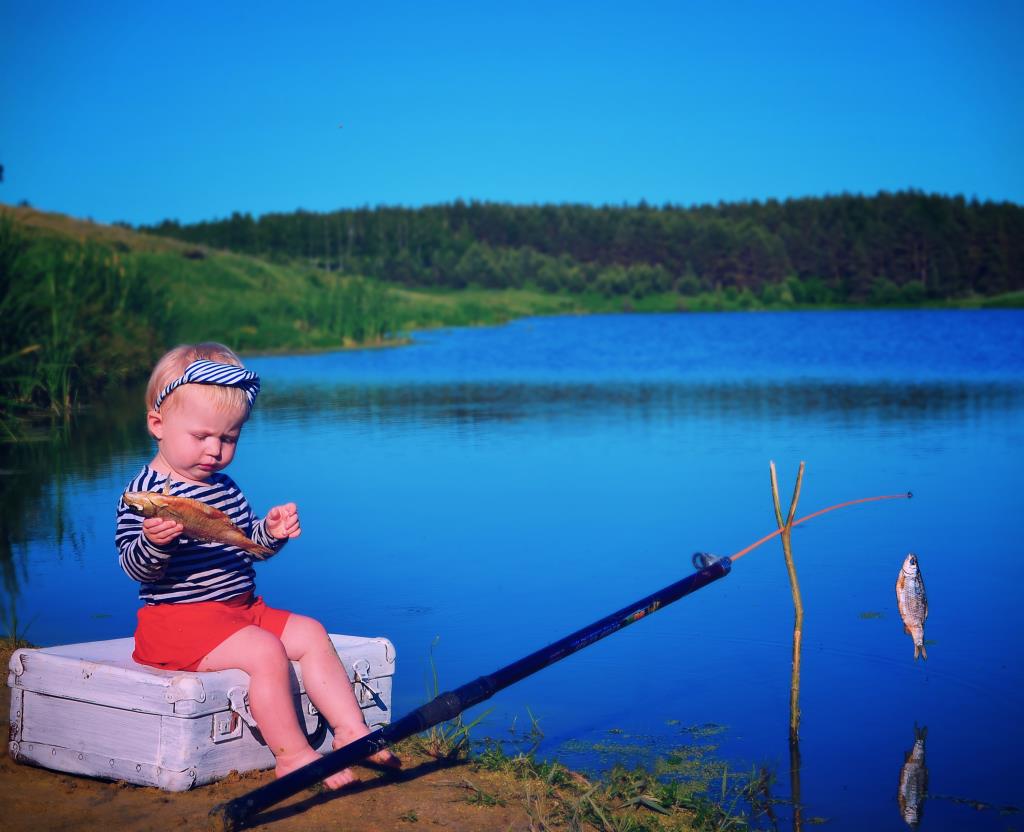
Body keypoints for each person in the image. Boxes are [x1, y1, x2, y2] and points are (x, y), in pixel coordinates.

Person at [116, 342, 399, 788]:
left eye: (229, 438)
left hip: (240, 610)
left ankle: (351, 732)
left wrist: (271, 531)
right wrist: (154, 544)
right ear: (158, 424)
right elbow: (136, 569)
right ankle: (293, 755)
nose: (215, 450)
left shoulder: (223, 487)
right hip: (177, 622)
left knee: (310, 631)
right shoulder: (145, 492)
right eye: (202, 436)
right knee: (265, 651)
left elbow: (250, 549)